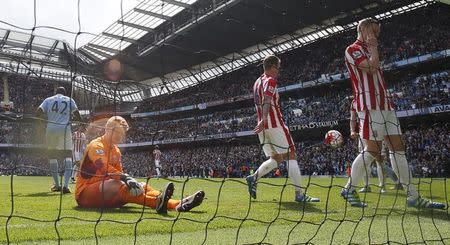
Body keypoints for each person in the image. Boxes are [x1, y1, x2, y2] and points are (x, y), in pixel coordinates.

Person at [342, 18, 444, 209]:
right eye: (373, 31)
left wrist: (373, 46)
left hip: (386, 105)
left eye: (377, 33)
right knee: (372, 150)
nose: (376, 36)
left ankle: (413, 196)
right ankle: (350, 188)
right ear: (363, 29)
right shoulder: (352, 49)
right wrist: (373, 47)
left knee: (398, 148)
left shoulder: (370, 48)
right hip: (369, 106)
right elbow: (371, 68)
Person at [75, 116, 204, 213]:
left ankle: (178, 204)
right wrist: (126, 178)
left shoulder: (116, 151)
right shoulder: (96, 145)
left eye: (123, 133)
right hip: (85, 194)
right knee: (120, 184)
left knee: (142, 186)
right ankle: (159, 202)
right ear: (108, 129)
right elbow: (104, 169)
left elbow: (118, 172)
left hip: (107, 194)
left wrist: (129, 181)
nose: (121, 136)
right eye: (118, 132)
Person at [245, 55, 319, 203]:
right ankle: (299, 194)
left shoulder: (256, 82)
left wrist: (262, 120)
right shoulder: (270, 80)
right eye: (278, 67)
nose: (279, 71)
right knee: (291, 154)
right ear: (272, 66)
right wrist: (265, 119)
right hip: (274, 124)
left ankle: (253, 178)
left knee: (276, 158)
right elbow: (267, 100)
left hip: (263, 129)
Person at [36, 87, 81, 194]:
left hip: (51, 129)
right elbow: (77, 114)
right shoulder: (69, 100)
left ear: (56, 92)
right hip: (65, 129)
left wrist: (42, 123)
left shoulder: (48, 100)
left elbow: (38, 112)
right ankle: (65, 186)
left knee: (52, 156)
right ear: (64, 93)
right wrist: (82, 123)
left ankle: (57, 185)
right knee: (67, 155)